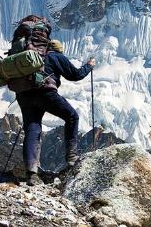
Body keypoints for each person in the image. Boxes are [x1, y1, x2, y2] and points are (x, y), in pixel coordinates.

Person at [16, 39, 95, 185]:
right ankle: (72, 158)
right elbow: (75, 75)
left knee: (32, 129)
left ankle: (31, 174)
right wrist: (89, 66)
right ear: (59, 50)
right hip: (45, 93)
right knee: (72, 117)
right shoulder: (57, 56)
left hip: (24, 95)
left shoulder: (32, 57)